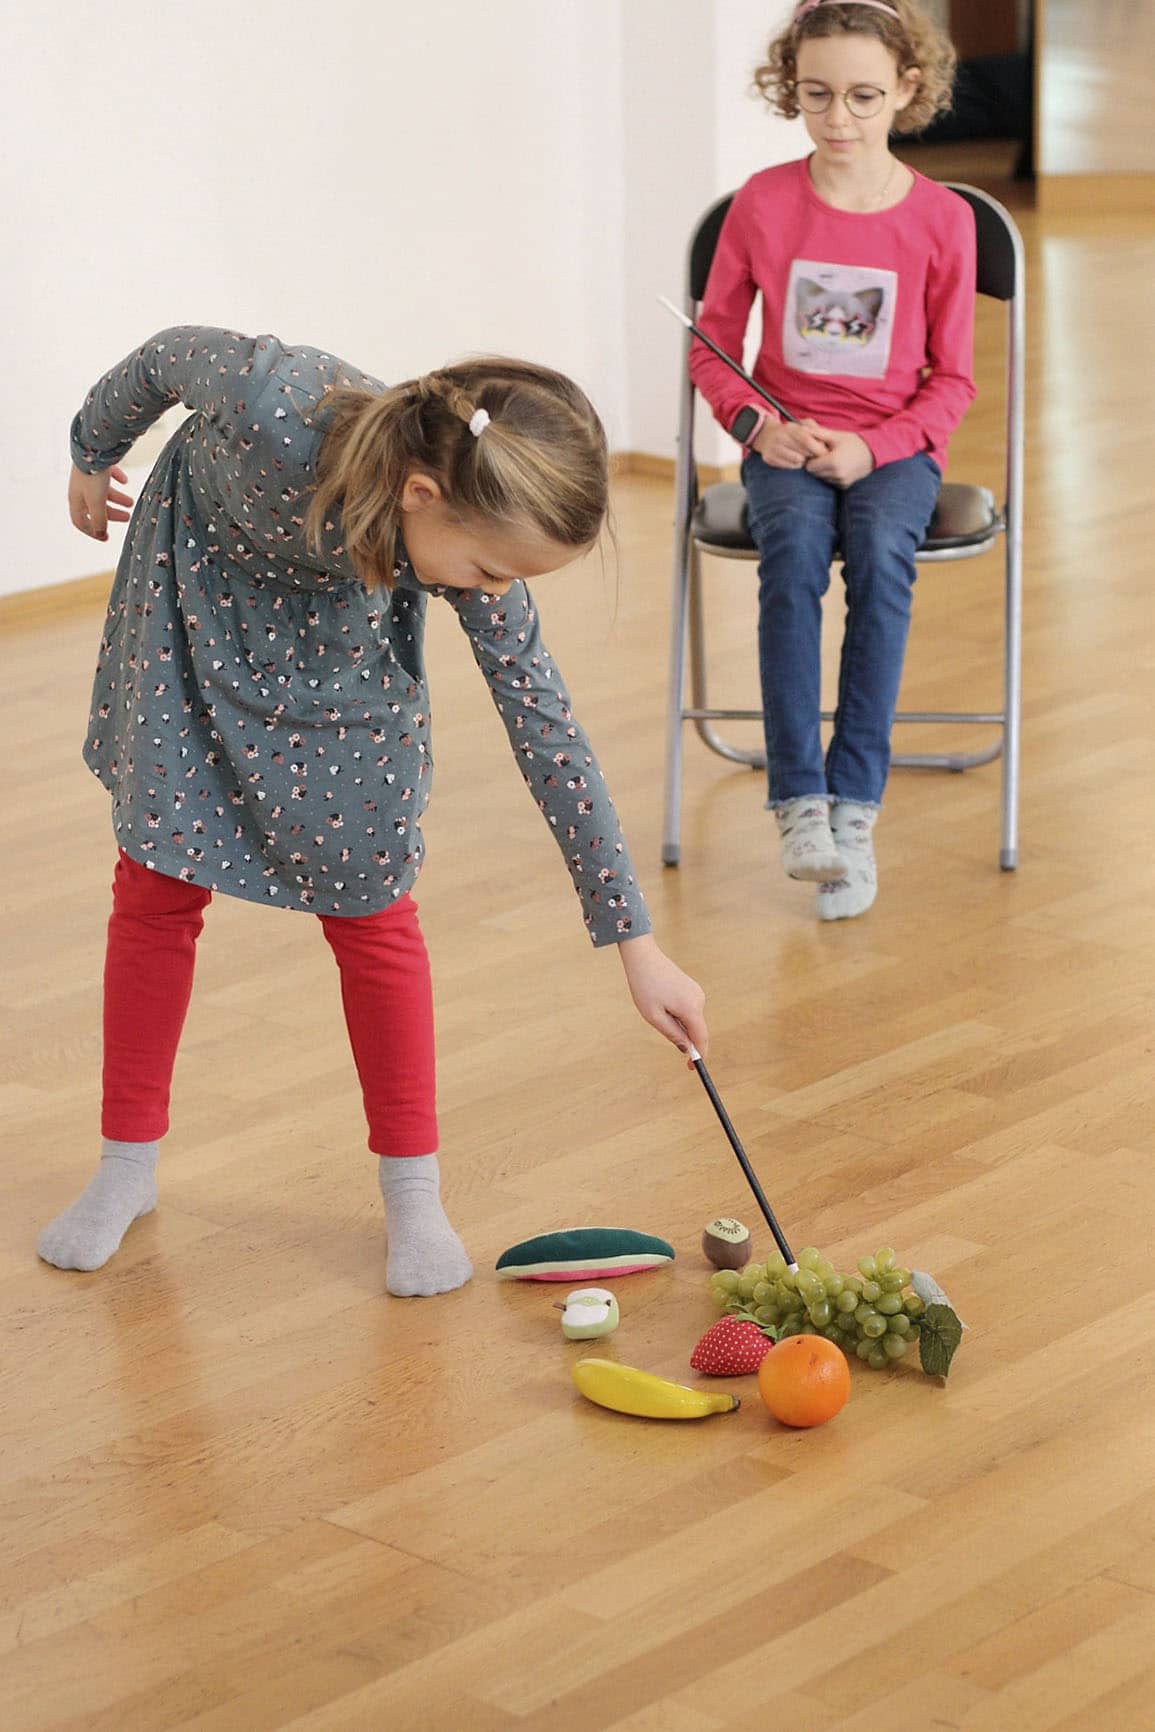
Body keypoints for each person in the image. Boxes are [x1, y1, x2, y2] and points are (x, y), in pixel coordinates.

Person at [42, 328, 708, 1294]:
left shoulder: (462, 534)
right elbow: (165, 358)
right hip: (194, 613)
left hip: (339, 660)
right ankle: (125, 1167)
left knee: (371, 909)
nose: (496, 594)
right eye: (488, 573)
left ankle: (412, 1191)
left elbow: (546, 726)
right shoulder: (276, 402)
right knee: (155, 887)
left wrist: (635, 943)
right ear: (421, 496)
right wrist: (90, 452)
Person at [690, 0, 974, 919]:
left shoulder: (941, 220)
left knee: (884, 564)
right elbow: (713, 347)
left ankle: (854, 812)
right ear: (790, 90)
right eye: (816, 96)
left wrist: (875, 445)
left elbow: (955, 380)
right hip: (782, 441)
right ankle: (798, 803)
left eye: (861, 96)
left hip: (890, 447)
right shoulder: (763, 204)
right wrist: (754, 425)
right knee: (791, 567)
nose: (839, 118)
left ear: (906, 90)